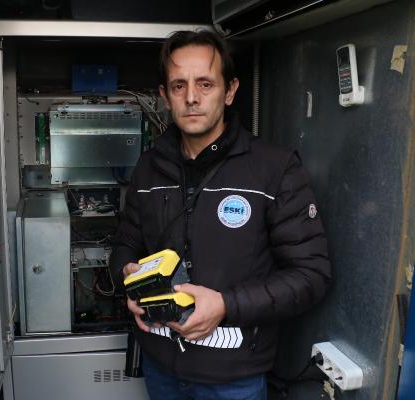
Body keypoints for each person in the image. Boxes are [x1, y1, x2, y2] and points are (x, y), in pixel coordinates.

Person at [109, 30, 332, 400]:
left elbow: (311, 275)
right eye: (178, 86)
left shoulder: (274, 168)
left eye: (205, 84)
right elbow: (124, 246)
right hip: (160, 367)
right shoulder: (149, 168)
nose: (191, 97)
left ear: (229, 91)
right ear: (164, 96)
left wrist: (226, 304)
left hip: (234, 378)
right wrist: (127, 278)